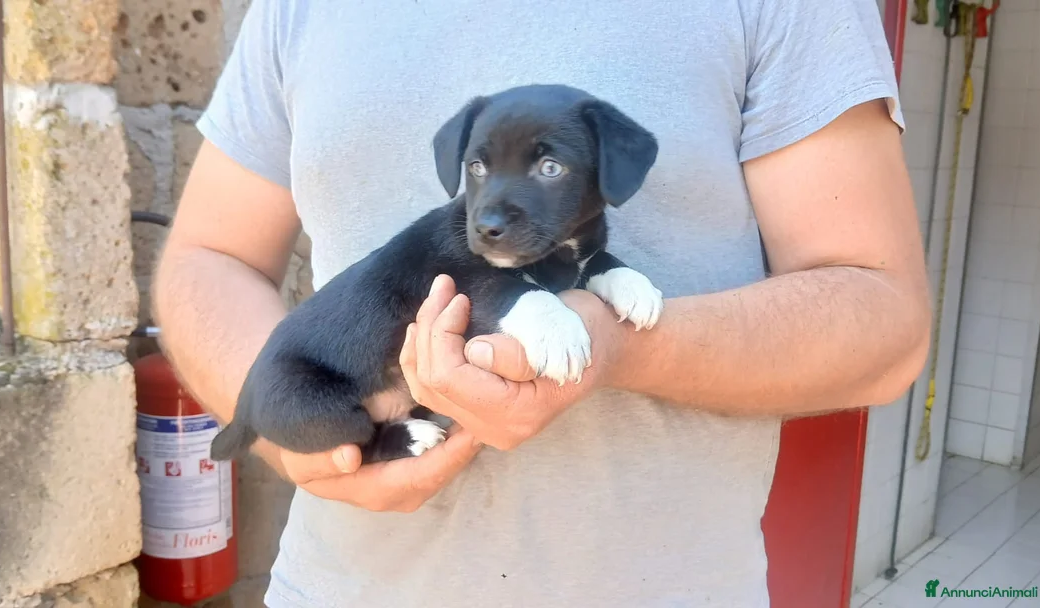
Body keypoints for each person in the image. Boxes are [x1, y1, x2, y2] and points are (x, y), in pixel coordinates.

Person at [153, 0, 931, 605]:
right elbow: (207, 258)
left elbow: (885, 322)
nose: (491, 205)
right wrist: (300, 437)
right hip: (337, 587)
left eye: (549, 166)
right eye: (481, 170)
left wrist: (622, 343)